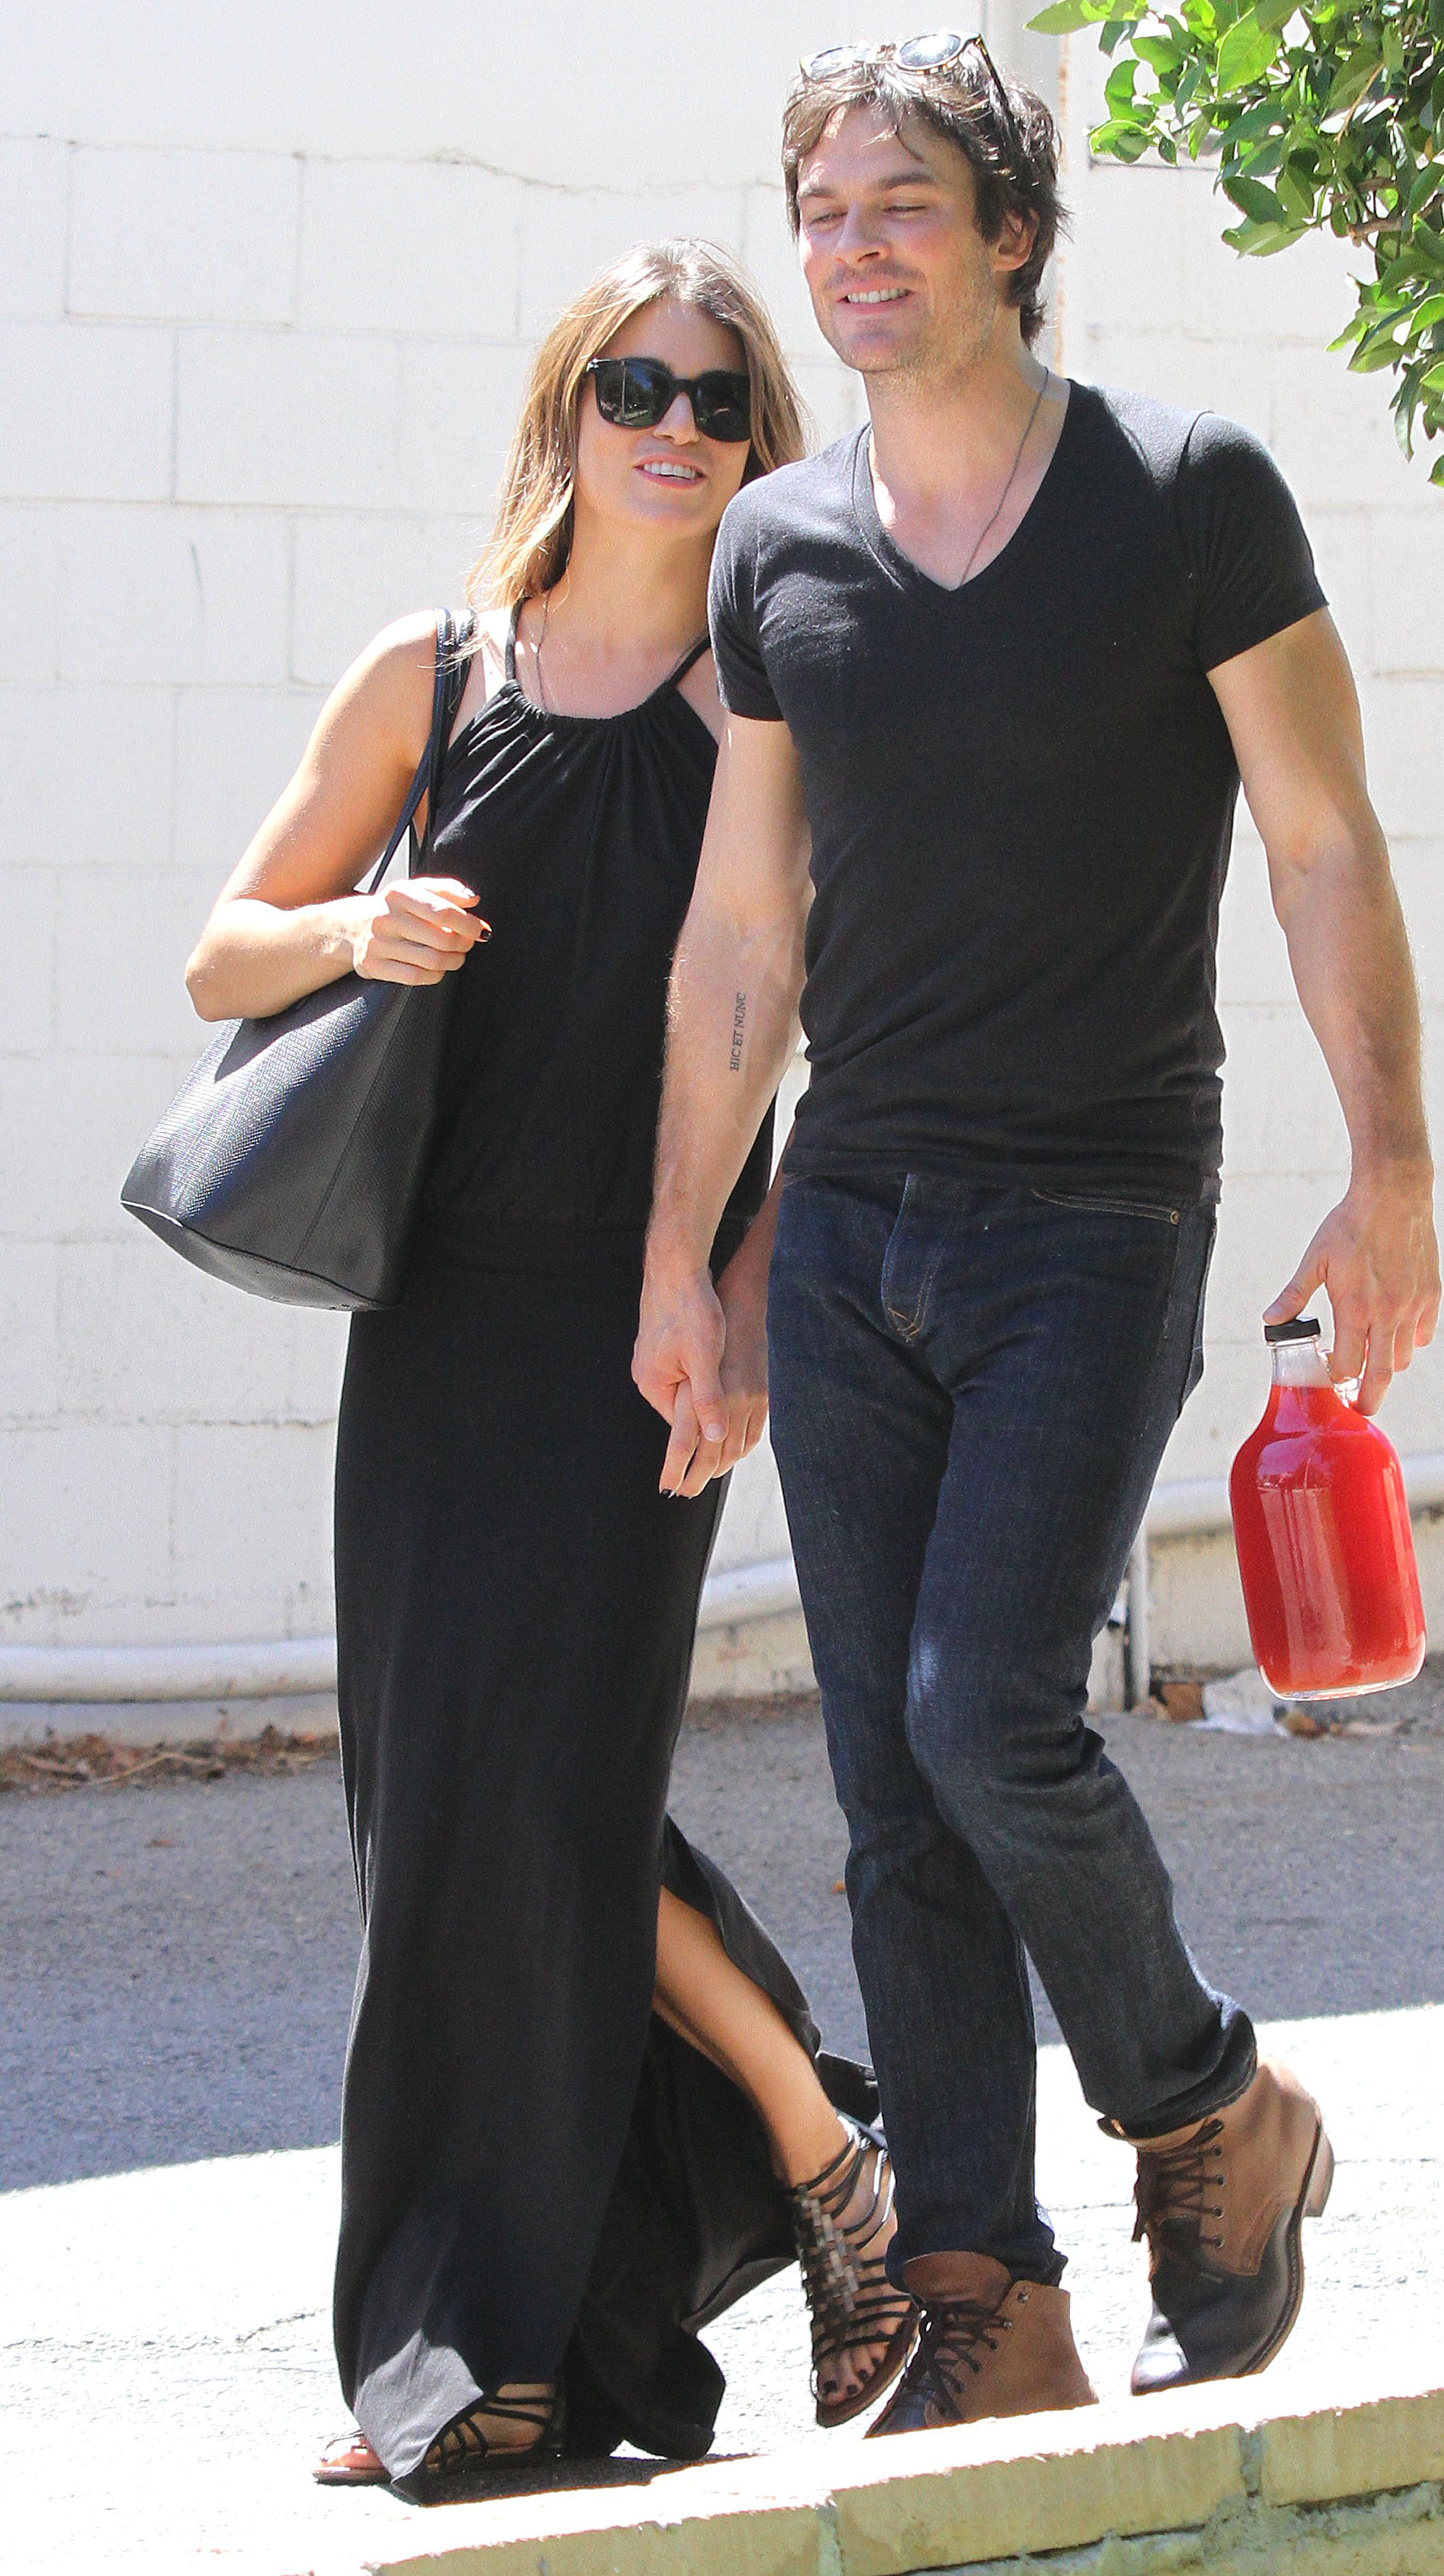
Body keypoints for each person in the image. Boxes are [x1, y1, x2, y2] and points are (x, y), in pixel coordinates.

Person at [633, 42, 1441, 2433]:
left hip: (1098, 1201)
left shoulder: (1186, 496)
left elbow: (1321, 838)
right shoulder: (779, 546)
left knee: (982, 1709)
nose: (854, 248)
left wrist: (1391, 1162)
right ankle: (987, 2301)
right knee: (896, 1798)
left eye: (903, 202)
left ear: (1011, 234)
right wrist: (689, 1254)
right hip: (852, 1219)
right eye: (822, 209)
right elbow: (744, 927)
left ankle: (1204, 2102)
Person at [182, 239, 915, 2489]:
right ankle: (525, 2325)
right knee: (444, 1817)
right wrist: (359, 925)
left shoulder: (775, 711)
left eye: (718, 397)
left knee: (546, 1804)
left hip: (639, 1328)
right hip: (437, 1323)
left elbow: (854, 1061)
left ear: (760, 440)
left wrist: (744, 1310)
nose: (676, 428)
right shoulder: (432, 671)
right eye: (635, 388)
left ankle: (725, 2198)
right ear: (568, 411)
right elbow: (223, 956)